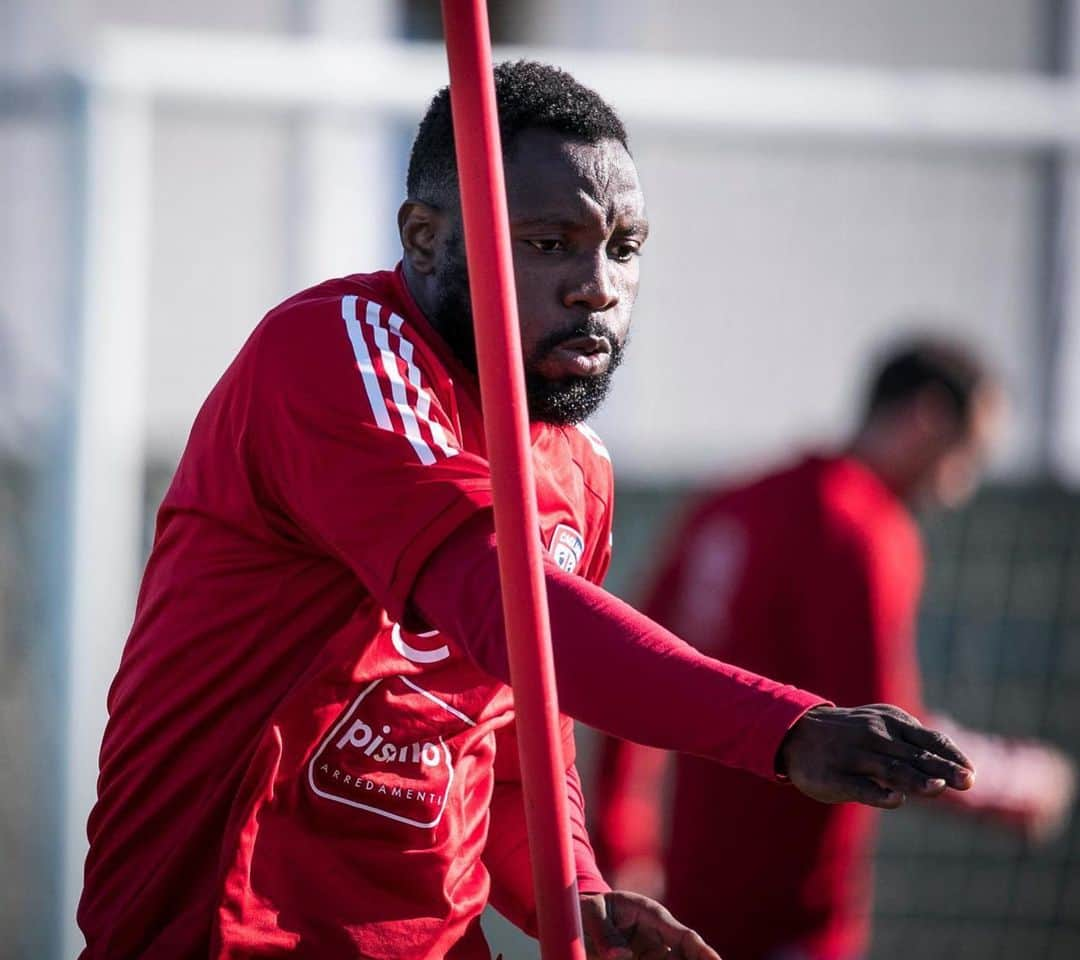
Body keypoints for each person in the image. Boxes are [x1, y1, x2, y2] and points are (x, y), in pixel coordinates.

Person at [78, 63, 976, 960]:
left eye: (623, 247)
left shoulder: (577, 471)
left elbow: (512, 759)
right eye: (549, 244)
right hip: (226, 933)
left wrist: (577, 894)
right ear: (427, 238)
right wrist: (784, 729)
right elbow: (511, 608)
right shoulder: (337, 356)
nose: (598, 286)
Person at [594, 339, 1077, 960]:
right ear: (926, 418)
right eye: (967, 457)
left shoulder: (731, 504)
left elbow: (631, 683)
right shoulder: (864, 528)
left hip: (686, 902)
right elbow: (895, 735)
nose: (960, 486)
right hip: (793, 916)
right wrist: (1018, 785)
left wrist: (622, 847)